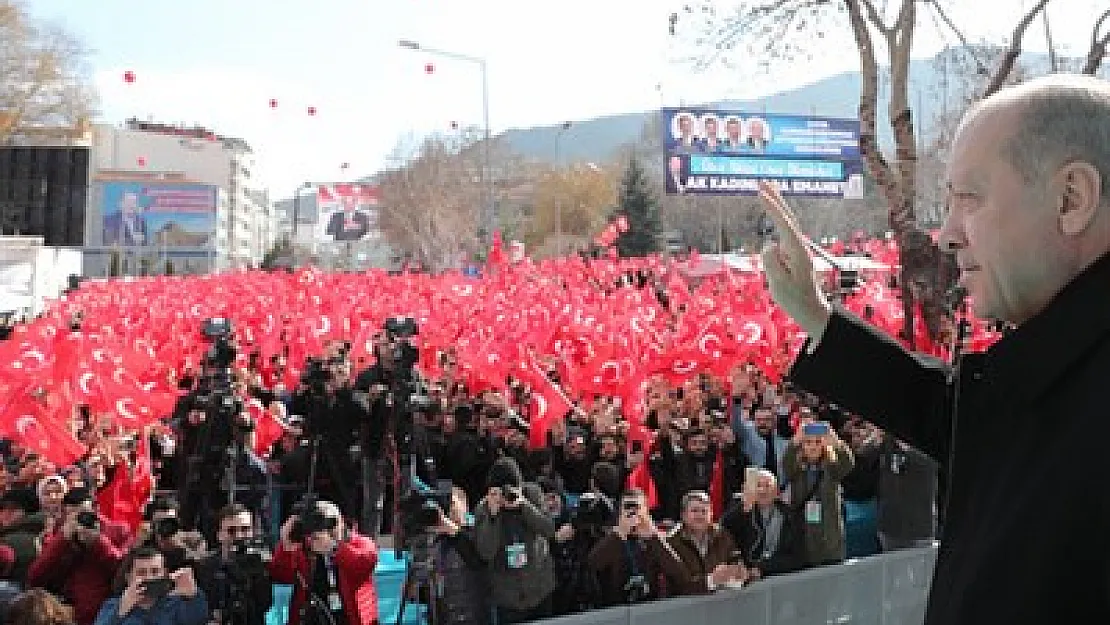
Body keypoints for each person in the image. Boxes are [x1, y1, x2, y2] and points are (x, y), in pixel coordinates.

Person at [757, 75, 1110, 624]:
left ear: (1072, 199)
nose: (945, 234)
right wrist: (816, 315)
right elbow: (954, 412)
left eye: (968, 199)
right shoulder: (1055, 367)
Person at [93, 547, 207, 625]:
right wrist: (120, 611)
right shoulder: (113, 605)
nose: (149, 578)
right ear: (128, 577)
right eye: (141, 572)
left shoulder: (177, 603)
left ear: (165, 573)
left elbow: (199, 620)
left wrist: (193, 597)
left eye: (155, 571)